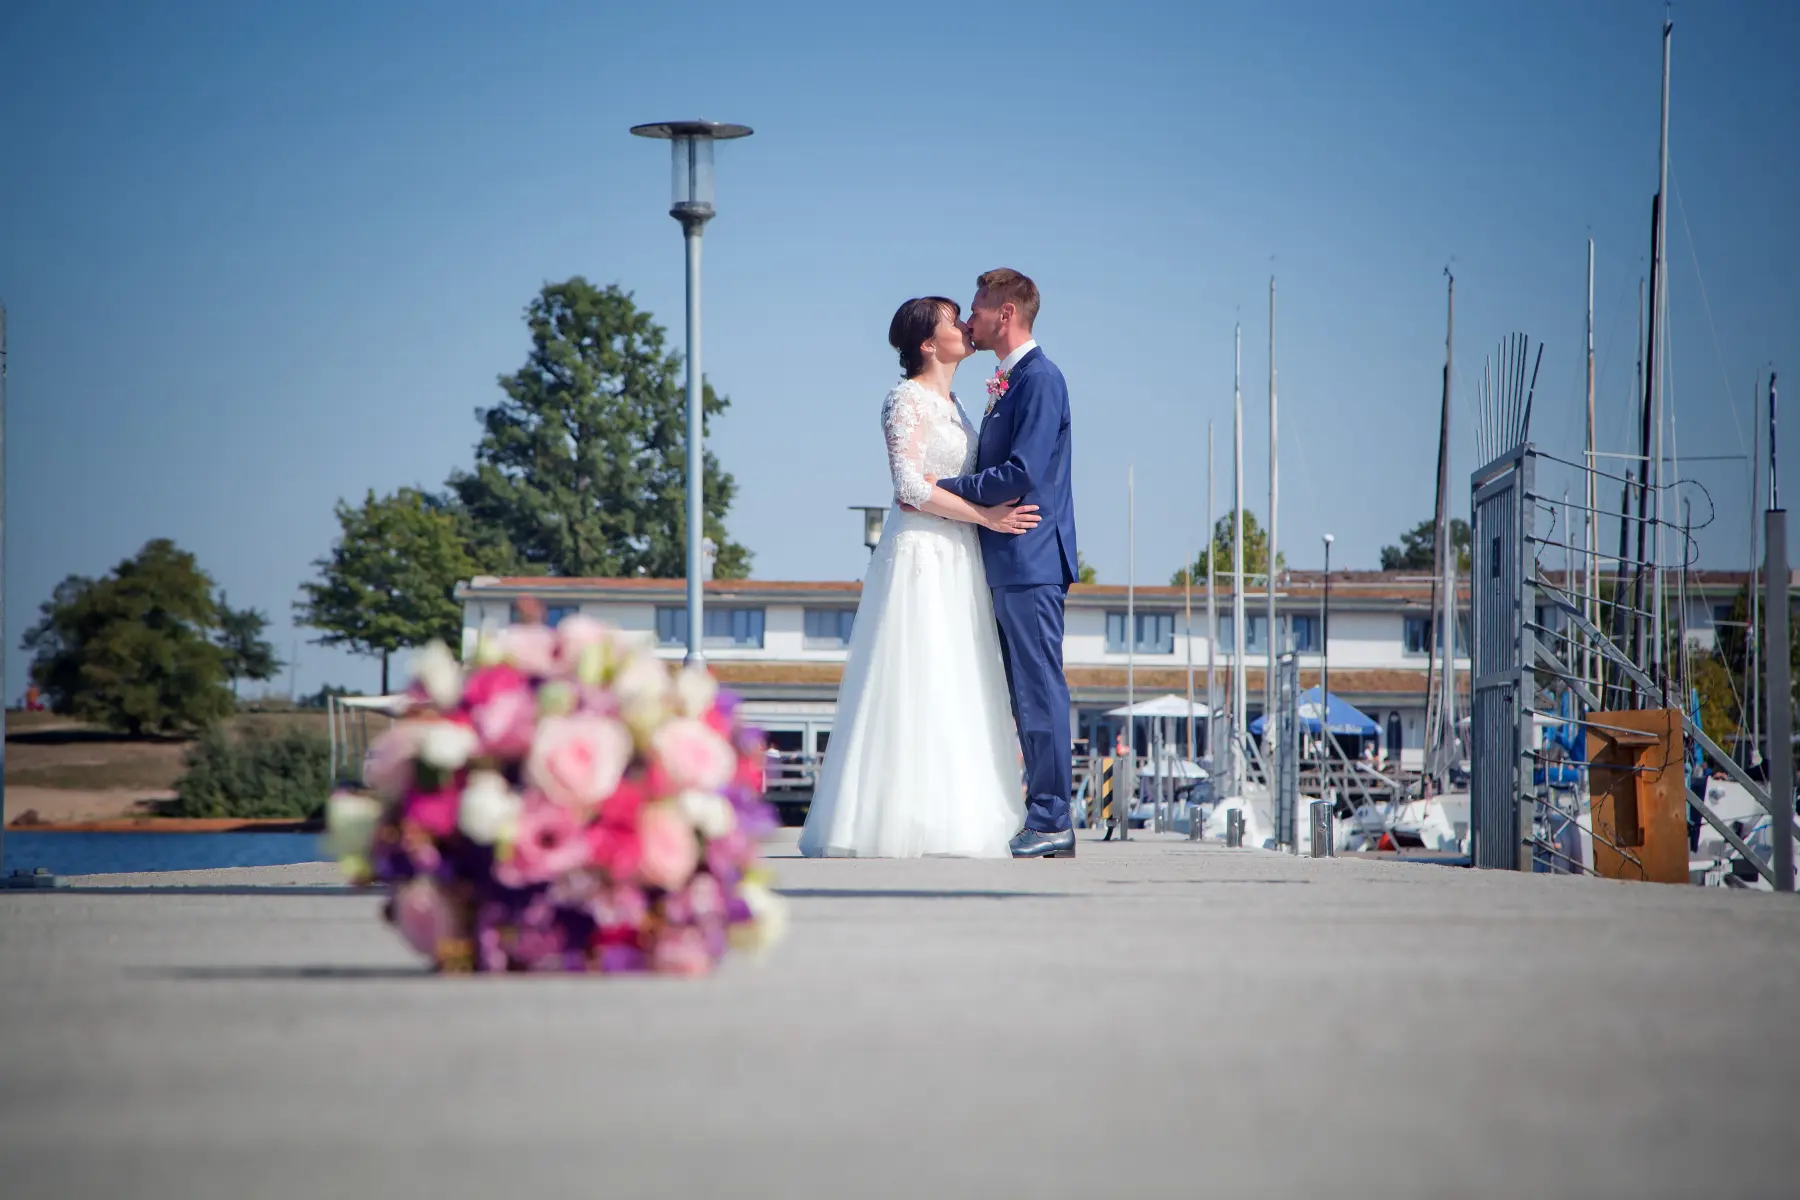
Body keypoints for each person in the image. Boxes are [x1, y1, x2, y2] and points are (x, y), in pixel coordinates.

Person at [797, 296, 1041, 858]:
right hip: (920, 555)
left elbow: (948, 480)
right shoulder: (904, 399)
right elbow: (908, 487)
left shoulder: (957, 404)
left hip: (959, 553)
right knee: (914, 672)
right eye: (952, 320)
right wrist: (986, 517)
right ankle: (892, 816)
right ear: (929, 344)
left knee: (959, 675)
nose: (964, 325)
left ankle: (958, 812)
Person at [934, 268, 1081, 859]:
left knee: (1040, 690)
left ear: (1005, 314)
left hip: (1030, 555)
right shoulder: (1010, 381)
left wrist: (942, 486)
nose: (970, 318)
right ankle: (1040, 815)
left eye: (976, 307)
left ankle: (1052, 818)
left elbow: (1021, 471)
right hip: (1008, 559)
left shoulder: (1041, 379)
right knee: (1022, 694)